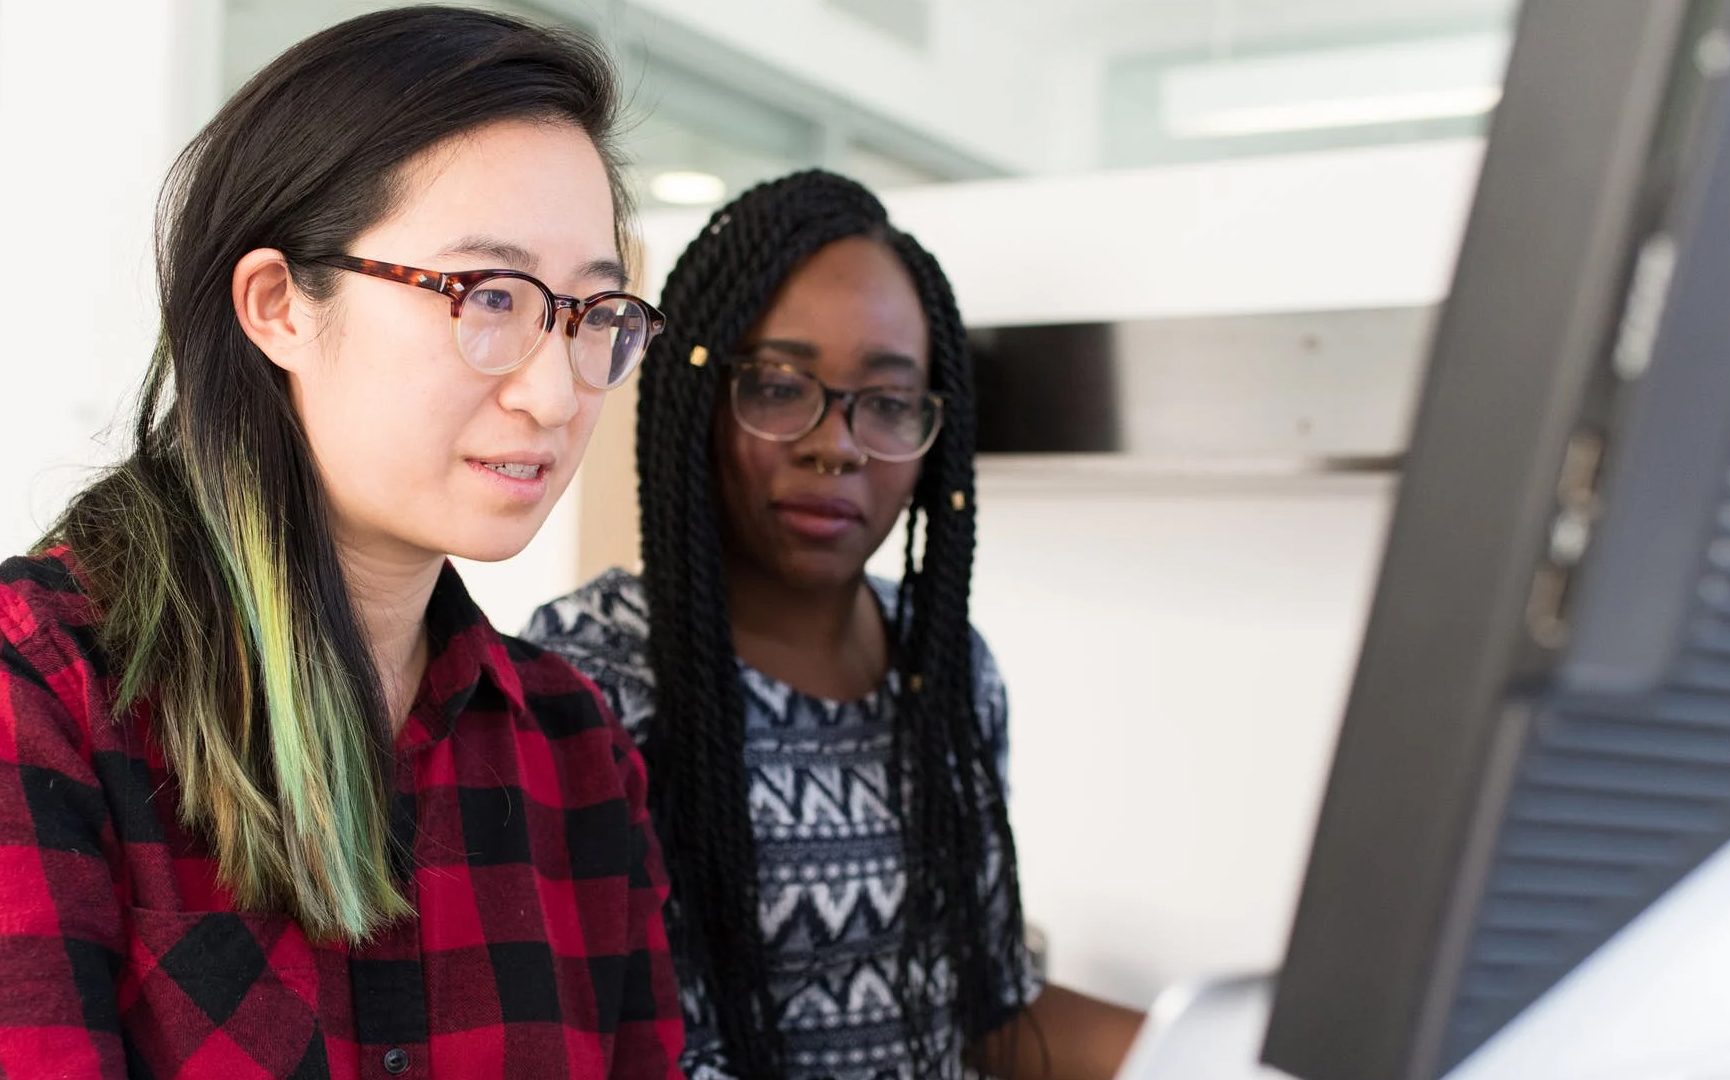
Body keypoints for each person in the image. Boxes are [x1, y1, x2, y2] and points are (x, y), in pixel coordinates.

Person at [0, 8, 684, 1078]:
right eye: (486, 297)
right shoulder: (47, 695)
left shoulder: (572, 744)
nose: (553, 394)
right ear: (277, 304)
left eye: (591, 312)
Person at [525, 170, 1144, 1080]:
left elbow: (985, 1015)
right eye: (779, 387)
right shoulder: (587, 684)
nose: (837, 443)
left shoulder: (949, 671)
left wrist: (1246, 1050)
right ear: (698, 399)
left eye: (888, 403)